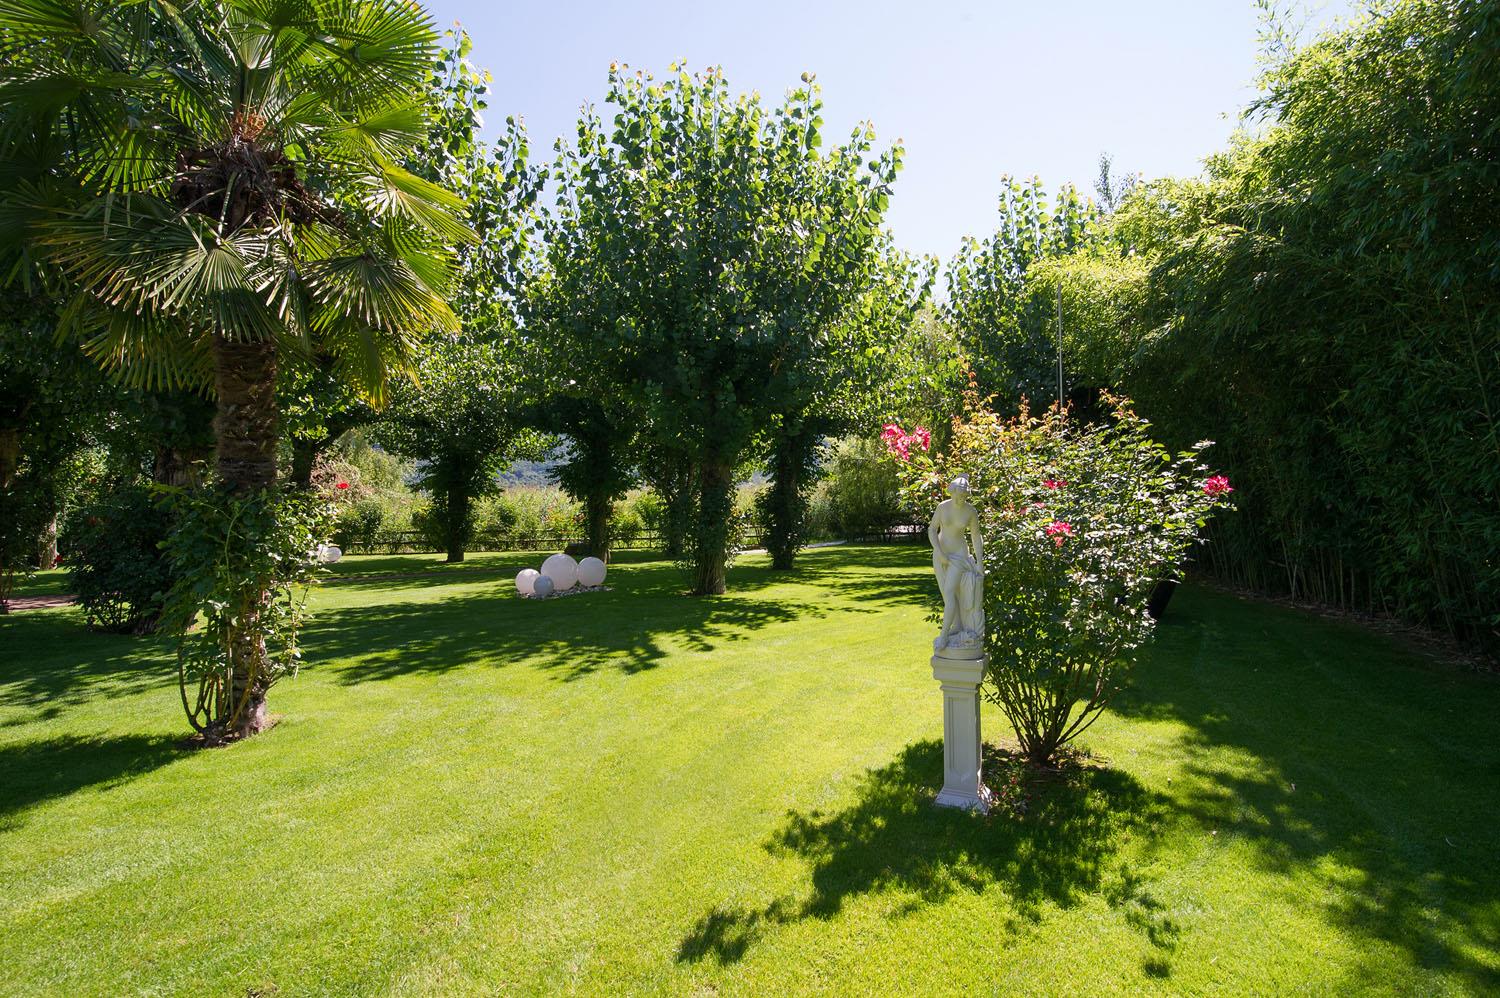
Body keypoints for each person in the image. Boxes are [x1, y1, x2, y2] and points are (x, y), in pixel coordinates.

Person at [928, 475, 985, 654]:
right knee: (947, 594)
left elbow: (976, 537)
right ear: (952, 492)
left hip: (958, 556)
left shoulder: (970, 511)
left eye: (964, 496)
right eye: (958, 495)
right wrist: (938, 551)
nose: (961, 499)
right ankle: (958, 625)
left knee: (950, 591)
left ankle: (944, 636)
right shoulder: (942, 507)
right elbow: (932, 529)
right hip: (940, 555)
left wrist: (980, 562)